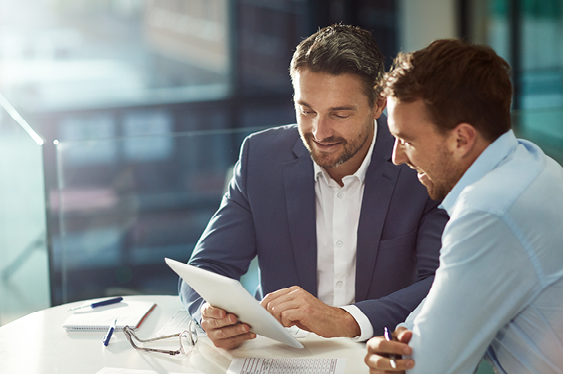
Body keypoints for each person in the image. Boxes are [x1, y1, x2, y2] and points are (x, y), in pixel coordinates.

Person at [180, 24, 448, 350]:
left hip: (379, 352)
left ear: (378, 105)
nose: (320, 132)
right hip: (282, 355)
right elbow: (206, 269)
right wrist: (210, 313)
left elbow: (440, 283)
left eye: (339, 114)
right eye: (306, 111)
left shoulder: (417, 165)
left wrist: (345, 320)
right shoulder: (260, 158)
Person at [364, 38, 563, 374]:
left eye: (407, 139)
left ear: (461, 139)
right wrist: (406, 340)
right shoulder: (531, 163)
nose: (396, 156)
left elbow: (423, 368)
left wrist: (400, 353)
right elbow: (426, 324)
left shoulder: (490, 212)